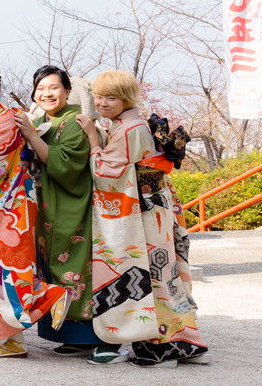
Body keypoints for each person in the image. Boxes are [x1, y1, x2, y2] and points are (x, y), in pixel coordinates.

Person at [79, 70, 208, 368]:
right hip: (156, 206)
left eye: (111, 97)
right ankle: (187, 341)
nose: (102, 103)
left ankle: (160, 349)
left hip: (145, 211)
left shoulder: (128, 129)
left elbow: (105, 172)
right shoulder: (132, 123)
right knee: (165, 275)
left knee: (151, 277)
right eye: (98, 96)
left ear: (127, 98)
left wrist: (90, 137)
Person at [0, 62, 69, 359]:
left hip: (7, 206)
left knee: (6, 270)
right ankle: (8, 339)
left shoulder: (8, 117)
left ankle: (48, 297)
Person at [14, 66, 104, 360]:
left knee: (74, 268)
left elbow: (64, 165)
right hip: (47, 208)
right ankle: (64, 333)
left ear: (67, 91)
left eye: (54, 88)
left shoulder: (75, 122)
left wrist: (30, 134)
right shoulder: (45, 120)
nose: (47, 94)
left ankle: (85, 335)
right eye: (41, 89)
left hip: (70, 206)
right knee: (51, 267)